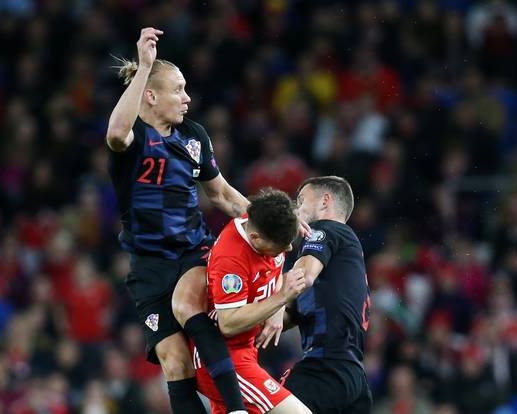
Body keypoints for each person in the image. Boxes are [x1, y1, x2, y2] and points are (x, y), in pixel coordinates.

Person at [105, 27, 251, 414]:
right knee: (174, 363)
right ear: (150, 96)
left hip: (192, 250)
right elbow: (116, 134)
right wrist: (145, 67)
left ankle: (236, 410)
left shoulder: (194, 136)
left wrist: (270, 222)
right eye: (178, 89)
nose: (187, 98)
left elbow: (220, 194)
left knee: (190, 306)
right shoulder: (133, 134)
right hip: (148, 265)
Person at [194, 189, 312, 414]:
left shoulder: (268, 222)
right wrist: (280, 299)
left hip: (246, 351)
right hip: (221, 356)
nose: (287, 249)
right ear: (256, 237)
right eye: (281, 246)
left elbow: (275, 262)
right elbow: (227, 323)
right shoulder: (231, 261)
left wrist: (276, 308)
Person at [281, 176, 373, 413]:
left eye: (301, 201)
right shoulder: (345, 258)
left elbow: (304, 276)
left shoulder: (325, 229)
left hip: (324, 369)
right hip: (353, 377)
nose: (297, 209)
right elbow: (291, 314)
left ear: (325, 202)